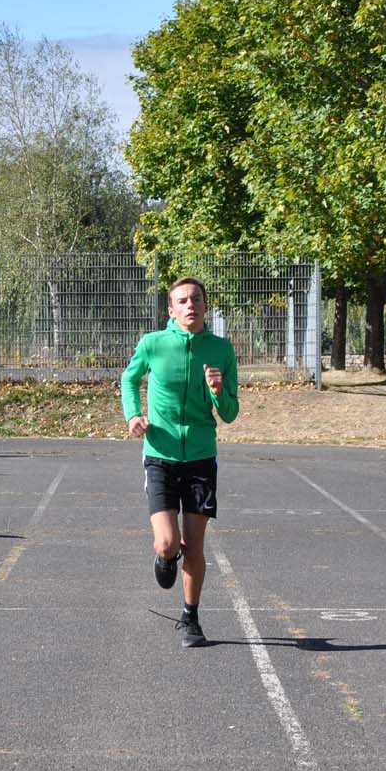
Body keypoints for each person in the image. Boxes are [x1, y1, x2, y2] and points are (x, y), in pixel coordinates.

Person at [121, 276, 239, 649]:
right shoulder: (153, 344)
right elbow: (129, 379)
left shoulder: (221, 350)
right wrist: (133, 415)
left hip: (201, 457)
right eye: (183, 300)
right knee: (168, 542)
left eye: (196, 299)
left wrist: (217, 392)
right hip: (161, 455)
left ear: (205, 306)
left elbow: (230, 412)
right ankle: (166, 557)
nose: (191, 305)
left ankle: (190, 617)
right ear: (171, 310)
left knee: (196, 546)